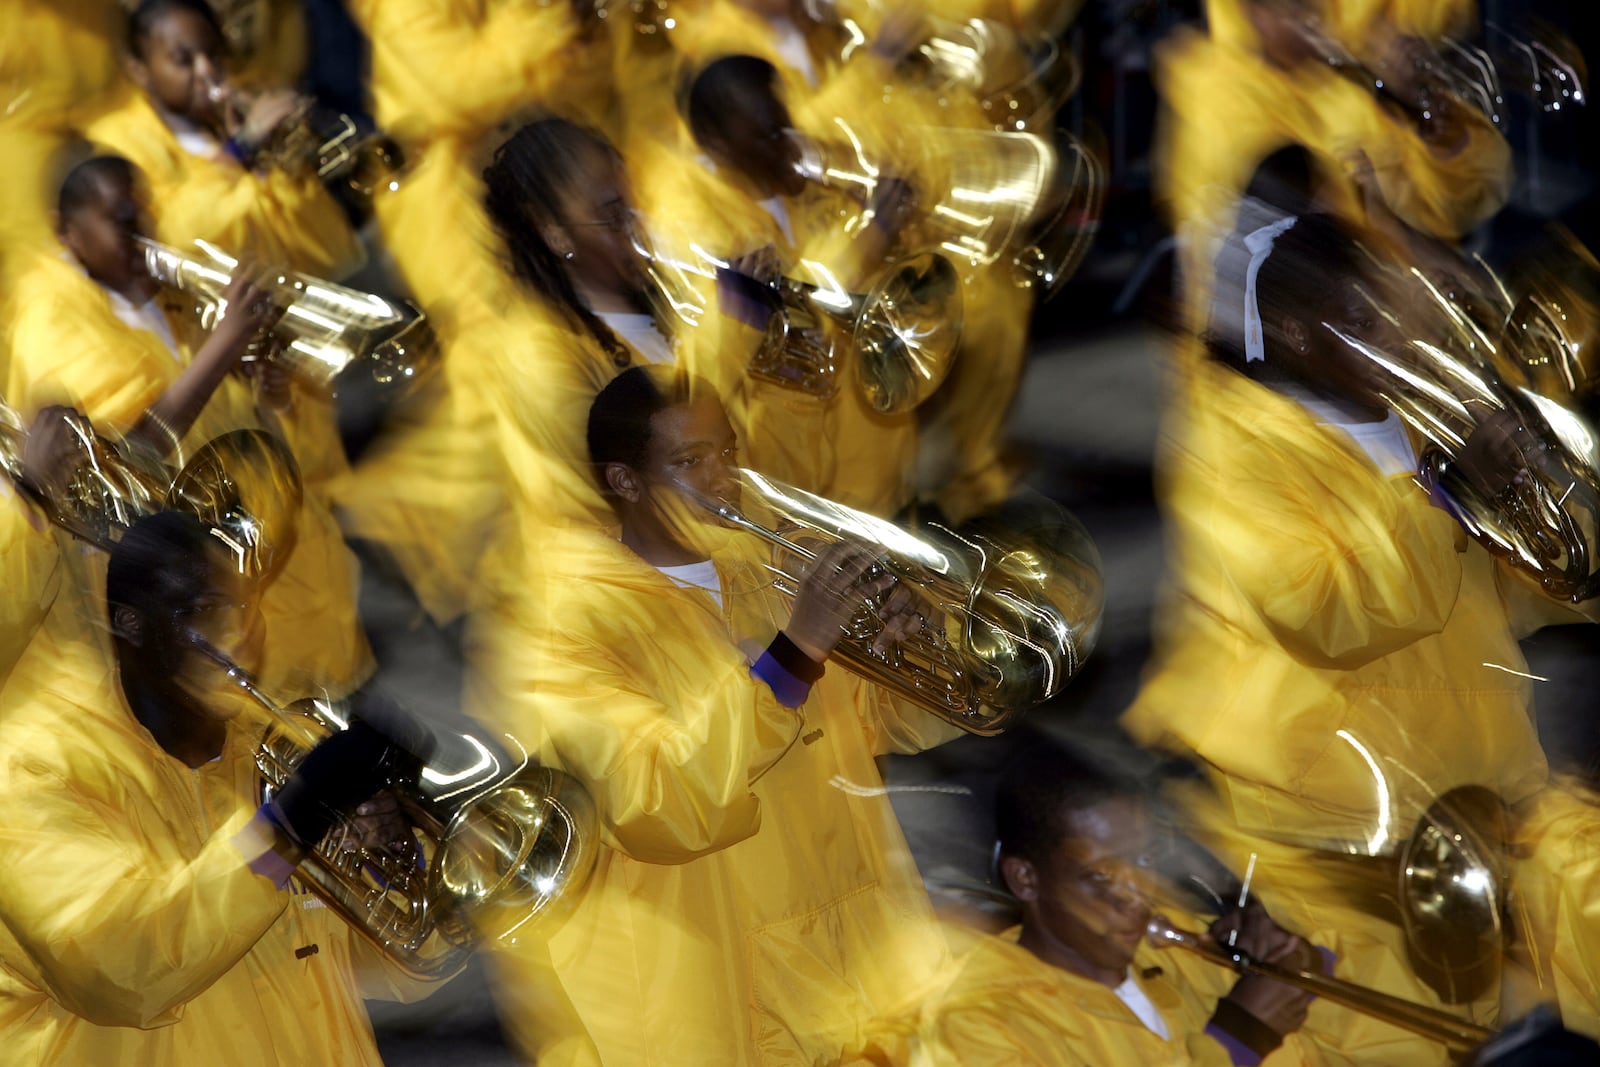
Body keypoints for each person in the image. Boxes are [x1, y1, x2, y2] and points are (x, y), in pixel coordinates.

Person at [471, 365, 964, 1065]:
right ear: (625, 482)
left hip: (859, 955)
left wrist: (919, 646)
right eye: (689, 461)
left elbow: (883, 723)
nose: (723, 478)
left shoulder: (767, 572)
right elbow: (660, 802)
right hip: (731, 990)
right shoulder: (565, 634)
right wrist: (795, 651)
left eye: (728, 452)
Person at [0, 508, 435, 1063]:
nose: (239, 636)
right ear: (131, 625)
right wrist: (286, 828)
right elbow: (123, 972)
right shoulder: (33, 771)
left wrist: (394, 850)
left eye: (246, 607)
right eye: (203, 611)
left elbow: (399, 975)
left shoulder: (270, 749)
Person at [5, 153, 368, 701]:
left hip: (291, 571)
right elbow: (123, 459)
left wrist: (268, 393)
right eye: (118, 219)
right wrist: (225, 345)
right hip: (205, 603)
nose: (140, 232)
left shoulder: (170, 297)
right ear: (68, 231)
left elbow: (233, 429)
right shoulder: (49, 322)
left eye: (143, 214)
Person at [918, 734, 1319, 1065]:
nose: (1137, 894)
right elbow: (1245, 1036)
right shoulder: (975, 1028)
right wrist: (1239, 1037)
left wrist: (1303, 961)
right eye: (1103, 875)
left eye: (1145, 859)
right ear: (1025, 878)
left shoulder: (1182, 946)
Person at [87, 0, 363, 279]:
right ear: (139, 70)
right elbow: (175, 238)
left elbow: (331, 250)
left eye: (213, 55)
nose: (206, 70)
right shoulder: (117, 141)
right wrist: (239, 148)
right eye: (184, 60)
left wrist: (279, 165)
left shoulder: (236, 110)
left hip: (304, 289)